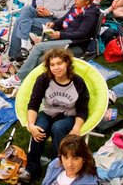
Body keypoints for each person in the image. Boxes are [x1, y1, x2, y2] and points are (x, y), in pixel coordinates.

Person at [20, 47, 91, 182]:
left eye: (59, 63)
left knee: (58, 128)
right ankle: (31, 169)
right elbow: (34, 103)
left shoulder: (78, 82)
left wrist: (76, 128)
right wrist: (31, 125)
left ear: (67, 64)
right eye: (52, 65)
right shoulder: (44, 79)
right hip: (48, 113)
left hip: (68, 115)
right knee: (39, 129)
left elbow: (82, 109)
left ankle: (58, 167)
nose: (56, 68)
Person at [7, 0, 101, 83]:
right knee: (41, 58)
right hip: (66, 38)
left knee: (39, 47)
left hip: (75, 44)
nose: (75, 0)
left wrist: (60, 35)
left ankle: (18, 79)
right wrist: (54, 24)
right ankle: (30, 78)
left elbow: (82, 34)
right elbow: (65, 19)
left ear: (87, 1)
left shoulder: (90, 14)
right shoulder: (77, 7)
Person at [8, 0, 79, 64]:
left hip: (53, 20)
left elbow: (69, 13)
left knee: (19, 21)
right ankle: (23, 49)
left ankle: (15, 55)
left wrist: (50, 13)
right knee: (26, 9)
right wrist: (40, 6)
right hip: (40, 11)